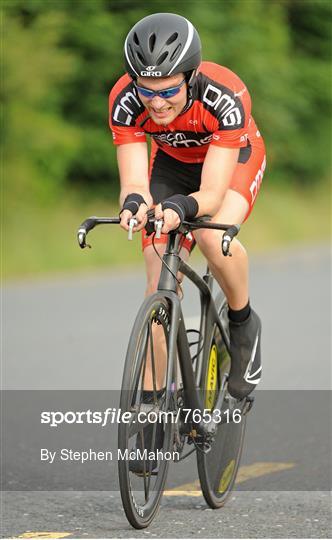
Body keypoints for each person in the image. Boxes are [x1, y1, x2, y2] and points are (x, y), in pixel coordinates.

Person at [109, 13, 265, 470]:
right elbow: (134, 179)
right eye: (146, 89)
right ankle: (156, 410)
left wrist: (181, 208)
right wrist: (135, 204)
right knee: (159, 282)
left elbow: (212, 194)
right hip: (173, 165)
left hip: (231, 161)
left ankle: (243, 324)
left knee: (211, 236)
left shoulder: (225, 95)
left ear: (191, 77)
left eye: (167, 90)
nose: (155, 103)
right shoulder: (124, 100)